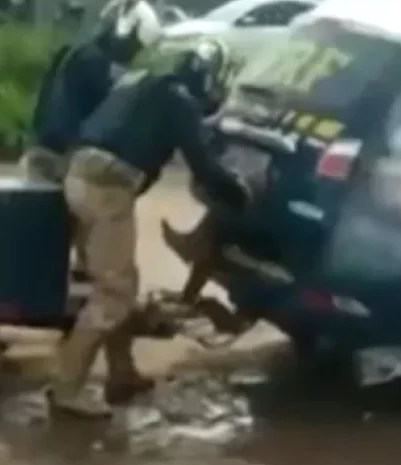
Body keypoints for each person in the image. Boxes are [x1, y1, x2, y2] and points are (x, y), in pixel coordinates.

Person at [49, 38, 251, 418]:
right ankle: (66, 388)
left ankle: (122, 372)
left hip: (78, 173)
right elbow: (203, 167)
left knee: (118, 280)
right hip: (109, 187)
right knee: (115, 294)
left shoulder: (140, 80)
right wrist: (239, 194)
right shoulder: (179, 100)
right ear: (206, 75)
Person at [0, 0, 163, 354]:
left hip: (41, 151)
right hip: (63, 162)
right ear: (123, 33)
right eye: (134, 46)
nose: (133, 54)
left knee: (34, 245)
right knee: (91, 254)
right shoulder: (99, 67)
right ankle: (77, 332)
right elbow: (102, 123)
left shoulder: (74, 53)